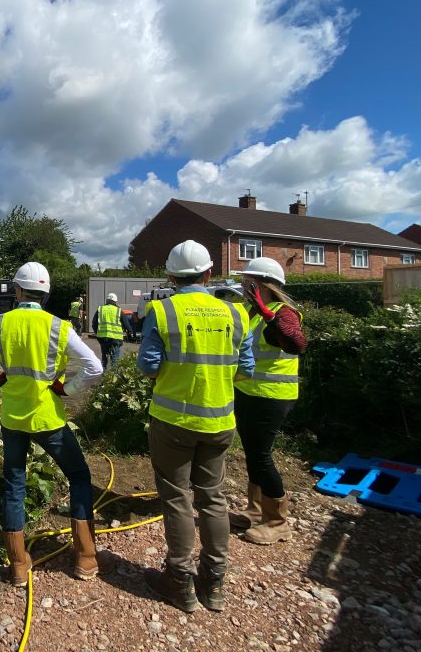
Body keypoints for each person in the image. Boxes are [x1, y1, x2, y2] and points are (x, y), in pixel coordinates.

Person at [0, 262, 104, 586]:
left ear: (18, 290)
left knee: (14, 484)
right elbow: (94, 367)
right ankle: (85, 557)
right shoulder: (59, 327)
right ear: (46, 293)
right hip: (48, 418)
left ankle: (19, 566)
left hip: (13, 417)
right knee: (79, 476)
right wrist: (67, 389)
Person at [137, 240, 254, 613]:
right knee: (213, 498)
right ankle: (214, 583)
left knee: (177, 498)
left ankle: (180, 582)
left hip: (173, 419)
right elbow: (246, 368)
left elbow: (149, 366)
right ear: (208, 273)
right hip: (220, 419)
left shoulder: (162, 310)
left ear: (170, 276)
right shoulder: (236, 314)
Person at [229, 257, 307, 545]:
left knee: (261, 455)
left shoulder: (282, 311)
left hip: (273, 396)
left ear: (262, 284)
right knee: (252, 451)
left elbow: (296, 344)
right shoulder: (250, 311)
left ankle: (277, 521)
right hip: (250, 392)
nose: (243, 284)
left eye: (248, 281)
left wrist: (268, 315)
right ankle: (255, 509)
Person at [92, 292, 126, 368]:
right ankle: (113, 377)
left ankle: (104, 375)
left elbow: (94, 323)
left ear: (107, 301)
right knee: (115, 360)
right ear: (115, 302)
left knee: (104, 358)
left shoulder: (100, 309)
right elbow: (126, 323)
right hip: (116, 339)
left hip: (103, 339)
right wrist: (128, 332)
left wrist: (97, 333)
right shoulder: (118, 310)